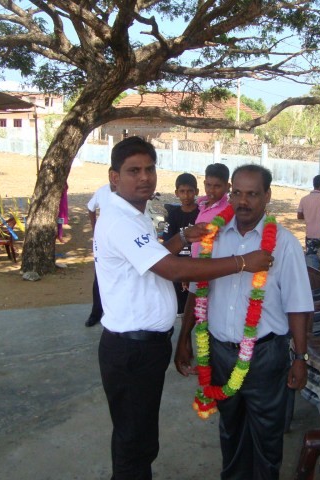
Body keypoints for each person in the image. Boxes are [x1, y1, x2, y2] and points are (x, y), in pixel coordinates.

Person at [94, 137, 272, 480]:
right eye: (134, 171)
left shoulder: (134, 212)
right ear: (114, 177)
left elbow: (150, 258)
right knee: (134, 443)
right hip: (131, 350)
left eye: (149, 169)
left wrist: (181, 238)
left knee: (139, 438)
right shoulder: (120, 220)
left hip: (141, 347)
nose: (145, 177)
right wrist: (241, 262)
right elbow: (173, 270)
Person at [174, 164, 313, 480]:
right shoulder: (212, 238)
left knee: (267, 436)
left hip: (265, 356)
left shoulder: (284, 244)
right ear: (230, 193)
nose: (243, 201)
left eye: (252, 194)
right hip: (220, 353)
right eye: (237, 193)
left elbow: (298, 305)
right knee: (231, 430)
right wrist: (184, 339)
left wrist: (300, 357)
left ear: (267, 196)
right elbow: (196, 289)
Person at [162, 173, 199, 315]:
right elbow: (168, 243)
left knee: (198, 306)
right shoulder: (173, 215)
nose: (186, 195)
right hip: (178, 267)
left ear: (196, 192)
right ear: (176, 193)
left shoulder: (201, 213)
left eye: (190, 191)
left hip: (197, 266)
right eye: (182, 191)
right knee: (181, 309)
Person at [85, 172, 116, 327]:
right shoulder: (102, 191)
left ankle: (117, 314)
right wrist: (94, 227)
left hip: (122, 239)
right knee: (100, 276)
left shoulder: (128, 192)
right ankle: (96, 313)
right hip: (103, 241)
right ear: (112, 176)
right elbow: (90, 207)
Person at [191, 163, 231, 258]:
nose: (211, 190)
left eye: (217, 186)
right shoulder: (201, 205)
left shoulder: (228, 211)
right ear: (204, 183)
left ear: (227, 186)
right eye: (208, 185)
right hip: (195, 260)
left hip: (212, 262)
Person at [297, 174, 320, 266]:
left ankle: (313, 271)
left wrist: (309, 215)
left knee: (311, 257)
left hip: (310, 234)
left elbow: (299, 216)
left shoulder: (304, 199)